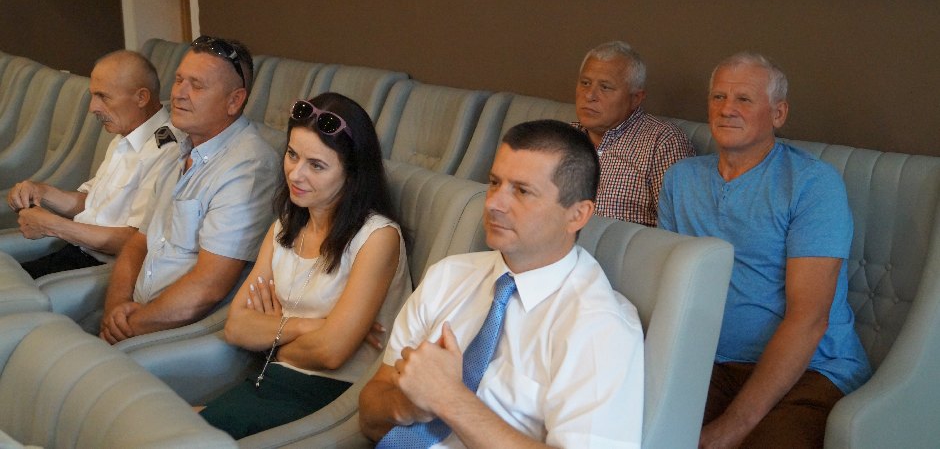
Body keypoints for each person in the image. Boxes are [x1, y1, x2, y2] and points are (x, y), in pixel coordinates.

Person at [359, 119, 644, 449]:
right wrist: (409, 406)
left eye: (522, 191)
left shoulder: (599, 326)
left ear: (577, 215)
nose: (494, 203)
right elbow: (369, 413)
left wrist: (448, 399)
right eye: (495, 183)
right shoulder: (448, 276)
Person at [657, 52, 871, 449]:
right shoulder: (680, 179)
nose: (727, 109)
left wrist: (732, 427)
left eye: (744, 99)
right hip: (711, 364)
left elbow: (809, 319)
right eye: (718, 97)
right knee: (641, 435)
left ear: (778, 113)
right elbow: (670, 289)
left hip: (812, 370)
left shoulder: (812, 184)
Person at [199, 92, 412, 439]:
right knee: (172, 426)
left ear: (352, 173)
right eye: (292, 154)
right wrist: (311, 326)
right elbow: (236, 327)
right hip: (272, 376)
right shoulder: (284, 227)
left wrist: (270, 336)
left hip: (333, 395)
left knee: (188, 433)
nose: (296, 174)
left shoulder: (377, 237)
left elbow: (331, 353)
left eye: (317, 165)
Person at [99, 36, 280, 344]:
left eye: (197, 85)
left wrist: (129, 327)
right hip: (138, 316)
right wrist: (115, 309)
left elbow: (209, 288)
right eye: (179, 79)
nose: (178, 93)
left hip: (188, 334)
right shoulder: (178, 147)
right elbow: (138, 243)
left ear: (234, 101)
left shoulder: (249, 167)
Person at [6, 50, 179, 277]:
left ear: (141, 97)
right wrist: (40, 191)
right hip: (78, 251)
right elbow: (93, 204)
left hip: (106, 269)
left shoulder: (167, 150)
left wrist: (53, 226)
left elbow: (137, 240)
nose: (92, 107)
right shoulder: (126, 134)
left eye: (103, 96)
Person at [574, 40, 694, 226]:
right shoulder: (562, 137)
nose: (589, 95)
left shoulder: (662, 141)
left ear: (636, 98)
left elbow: (676, 228)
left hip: (623, 244)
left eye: (605, 87)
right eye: (585, 83)